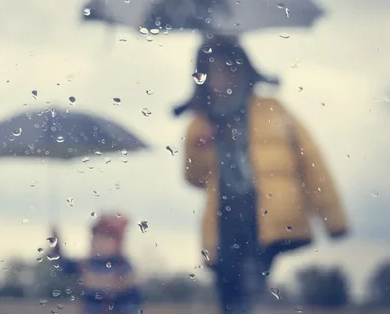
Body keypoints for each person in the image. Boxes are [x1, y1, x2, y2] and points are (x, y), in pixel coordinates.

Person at [175, 34, 349, 314]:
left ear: (244, 70)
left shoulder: (272, 110)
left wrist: (333, 220)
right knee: (228, 287)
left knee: (250, 282)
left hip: (268, 212)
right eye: (213, 71)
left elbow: (312, 162)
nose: (222, 79)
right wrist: (200, 146)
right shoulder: (201, 122)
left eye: (228, 68)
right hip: (223, 217)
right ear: (202, 78)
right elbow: (193, 178)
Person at [49, 213, 142, 314]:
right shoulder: (86, 264)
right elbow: (64, 266)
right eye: (97, 239)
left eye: (105, 239)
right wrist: (56, 245)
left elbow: (133, 299)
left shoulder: (124, 267)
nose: (99, 243)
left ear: (117, 244)